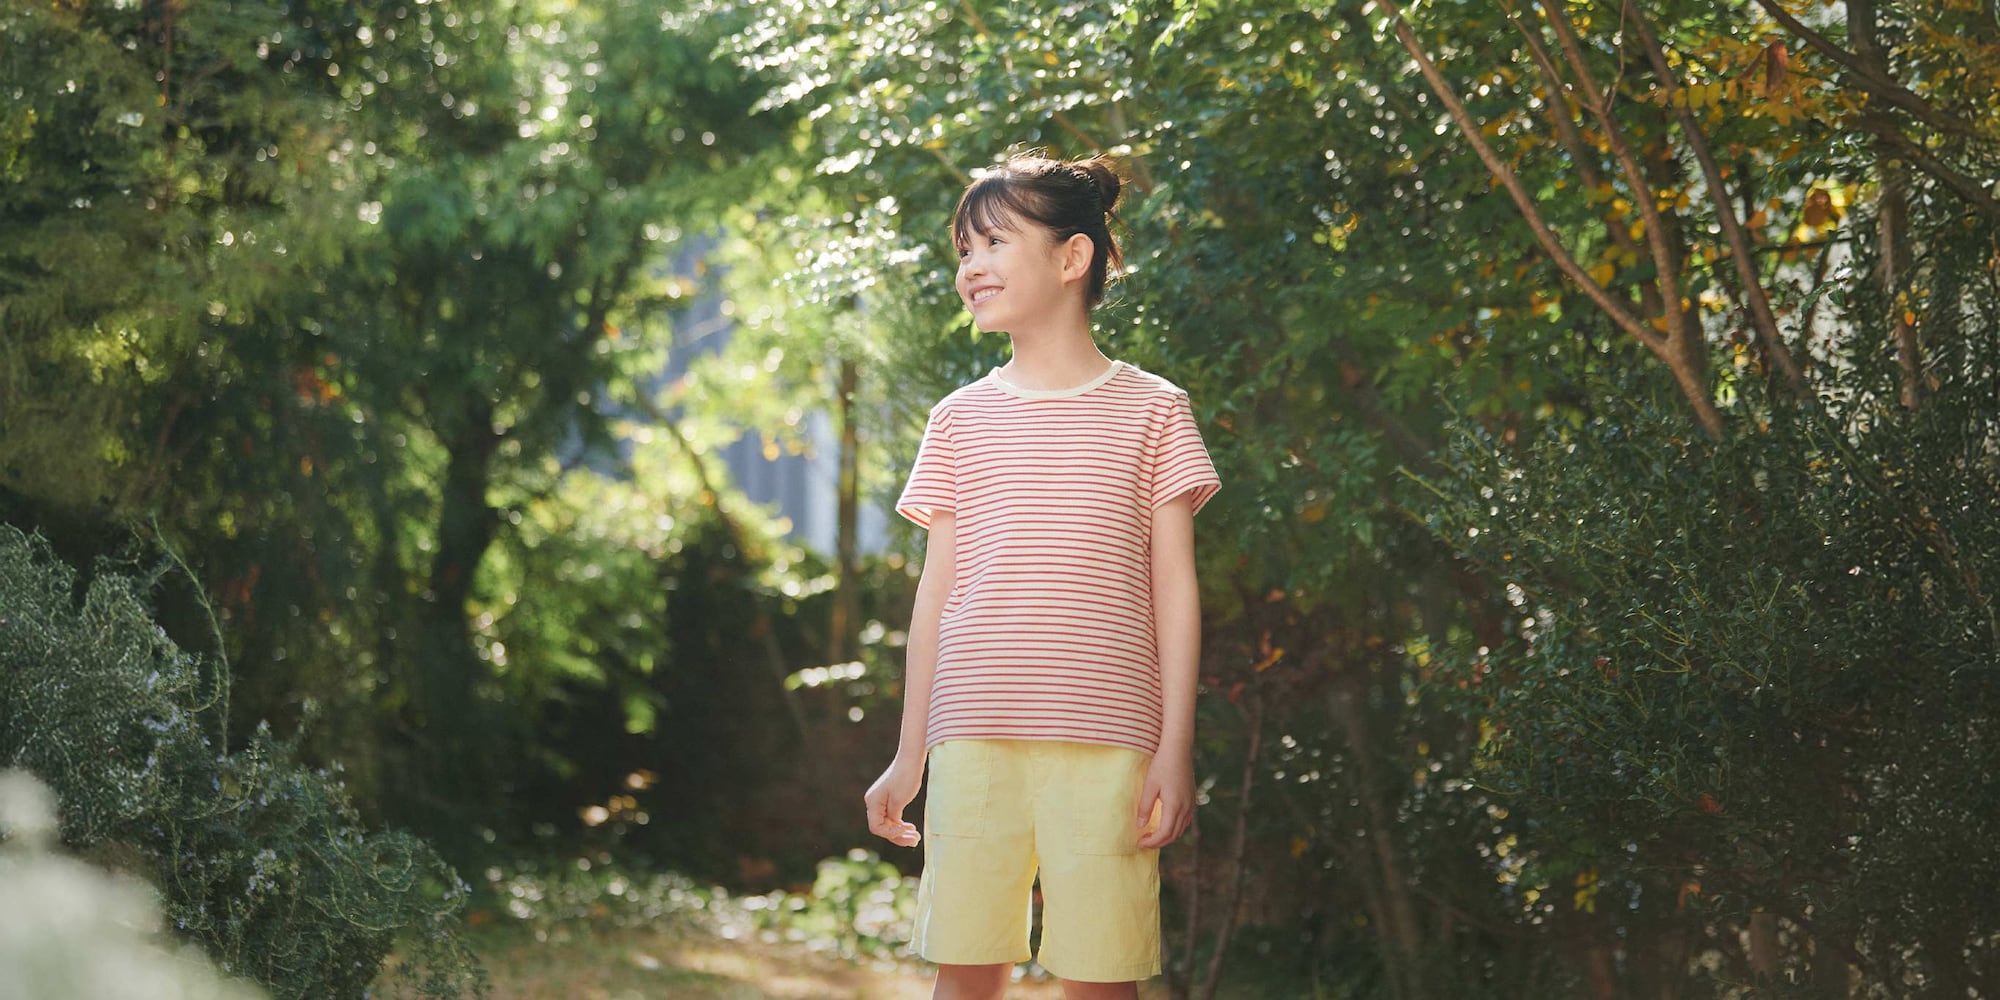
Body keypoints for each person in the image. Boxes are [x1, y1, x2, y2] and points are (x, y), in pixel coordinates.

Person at [863, 152, 1222, 1000]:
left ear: (1072, 257)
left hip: (1110, 746)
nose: (970, 267)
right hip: (974, 737)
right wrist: (909, 753)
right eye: (963, 250)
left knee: (1102, 978)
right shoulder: (958, 419)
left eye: (992, 243)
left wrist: (1175, 749)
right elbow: (937, 595)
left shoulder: (1154, 410)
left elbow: (1176, 592)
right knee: (967, 974)